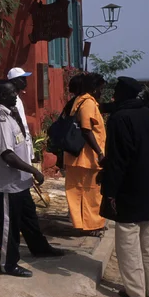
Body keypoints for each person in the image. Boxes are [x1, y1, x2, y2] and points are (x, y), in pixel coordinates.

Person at [0, 80, 64, 277]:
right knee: (9, 225)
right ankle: (8, 264)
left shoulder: (10, 112)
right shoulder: (0, 117)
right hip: (8, 184)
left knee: (29, 218)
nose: (17, 95)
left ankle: (40, 248)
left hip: (20, 182)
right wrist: (34, 170)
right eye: (13, 93)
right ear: (3, 96)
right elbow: (7, 154)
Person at [99, 76, 149, 297]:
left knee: (128, 238)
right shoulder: (146, 113)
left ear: (121, 94)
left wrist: (110, 190)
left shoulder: (119, 118)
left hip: (128, 185)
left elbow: (118, 159)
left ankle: (135, 291)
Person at [63, 73, 107, 237]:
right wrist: (100, 152)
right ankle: (91, 225)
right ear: (94, 88)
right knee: (90, 192)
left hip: (79, 156)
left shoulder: (80, 101)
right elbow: (86, 130)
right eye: (100, 89)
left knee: (80, 191)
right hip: (85, 157)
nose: (101, 93)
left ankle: (84, 223)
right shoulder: (87, 103)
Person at [6, 67, 34, 162]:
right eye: (22, 79)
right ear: (14, 81)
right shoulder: (11, 100)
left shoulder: (18, 98)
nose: (25, 81)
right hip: (18, 142)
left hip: (24, 140)